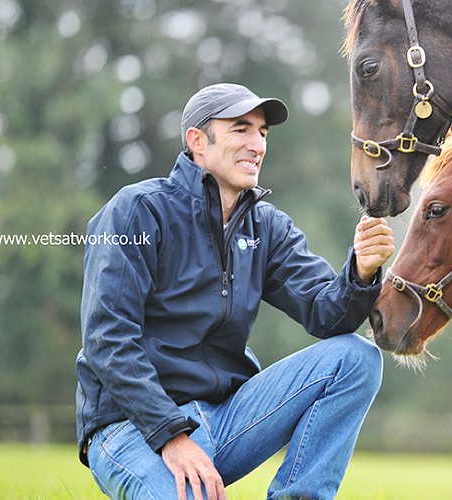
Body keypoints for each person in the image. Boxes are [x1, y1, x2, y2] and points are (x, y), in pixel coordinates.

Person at [75, 82, 394, 500]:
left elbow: (326, 314)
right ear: (197, 142)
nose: (257, 144)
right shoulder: (136, 211)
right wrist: (172, 438)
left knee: (356, 358)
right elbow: (107, 340)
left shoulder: (268, 227)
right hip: (131, 428)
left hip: (226, 417)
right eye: (241, 129)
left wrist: (362, 272)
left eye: (263, 132)